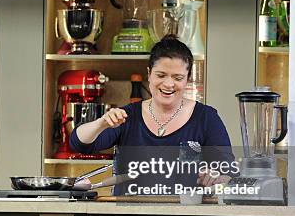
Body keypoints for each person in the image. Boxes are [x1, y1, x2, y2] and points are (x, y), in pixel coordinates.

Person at [70, 34, 234, 191]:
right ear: (149, 74)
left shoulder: (206, 118)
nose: (168, 84)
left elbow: (229, 172)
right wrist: (101, 123)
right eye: (161, 75)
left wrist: (216, 175)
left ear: (188, 78)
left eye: (177, 78)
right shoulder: (128, 116)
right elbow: (79, 144)